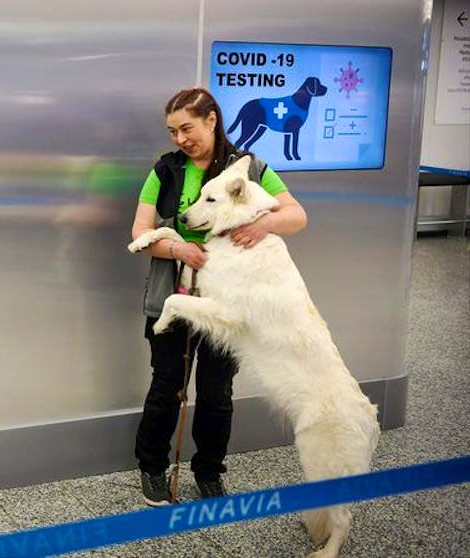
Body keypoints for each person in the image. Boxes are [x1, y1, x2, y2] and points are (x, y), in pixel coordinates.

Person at [130, 87, 307, 505]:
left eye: (186, 128)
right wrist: (178, 248)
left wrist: (263, 225)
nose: (179, 139)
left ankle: (209, 472)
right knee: (166, 384)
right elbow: (140, 232)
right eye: (172, 131)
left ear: (212, 120)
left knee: (216, 390)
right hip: (173, 291)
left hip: (229, 300)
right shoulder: (165, 171)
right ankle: (152, 468)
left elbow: (296, 215)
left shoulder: (248, 170)